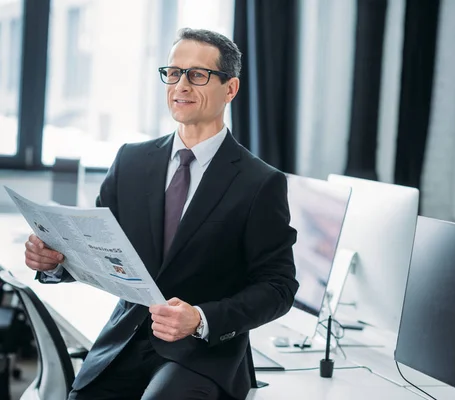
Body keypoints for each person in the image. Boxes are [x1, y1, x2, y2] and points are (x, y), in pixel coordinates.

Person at [23, 28, 298, 400]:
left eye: (197, 75)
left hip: (202, 355)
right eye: (173, 72)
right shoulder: (131, 161)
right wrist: (54, 262)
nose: (181, 85)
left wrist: (201, 318)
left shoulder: (260, 182)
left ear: (230, 89)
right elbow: (100, 252)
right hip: (124, 342)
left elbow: (278, 287)